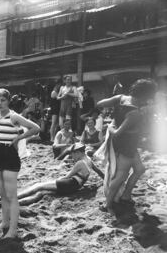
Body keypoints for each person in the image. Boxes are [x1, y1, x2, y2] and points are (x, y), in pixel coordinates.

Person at [96, 79, 157, 214]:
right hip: (126, 145)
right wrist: (110, 127)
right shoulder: (135, 113)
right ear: (146, 96)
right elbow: (117, 133)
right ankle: (108, 204)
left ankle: (125, 195)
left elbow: (99, 104)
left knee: (140, 169)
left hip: (127, 143)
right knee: (121, 176)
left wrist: (115, 114)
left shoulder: (120, 98)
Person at [0, 88, 40, 238]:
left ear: (8, 101)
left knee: (11, 195)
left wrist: (19, 138)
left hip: (10, 155)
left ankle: (13, 230)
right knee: (2, 195)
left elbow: (36, 128)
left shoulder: (14, 116)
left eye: (3, 100)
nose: (0, 103)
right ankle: (5, 222)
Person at [18, 143, 104, 205]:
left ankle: (16, 198)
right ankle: (19, 202)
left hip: (69, 184)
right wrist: (105, 179)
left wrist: (57, 180)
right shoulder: (89, 160)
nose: (72, 157)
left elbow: (67, 176)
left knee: (38, 186)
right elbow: (99, 171)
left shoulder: (80, 163)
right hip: (74, 188)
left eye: (73, 155)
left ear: (78, 152)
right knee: (42, 193)